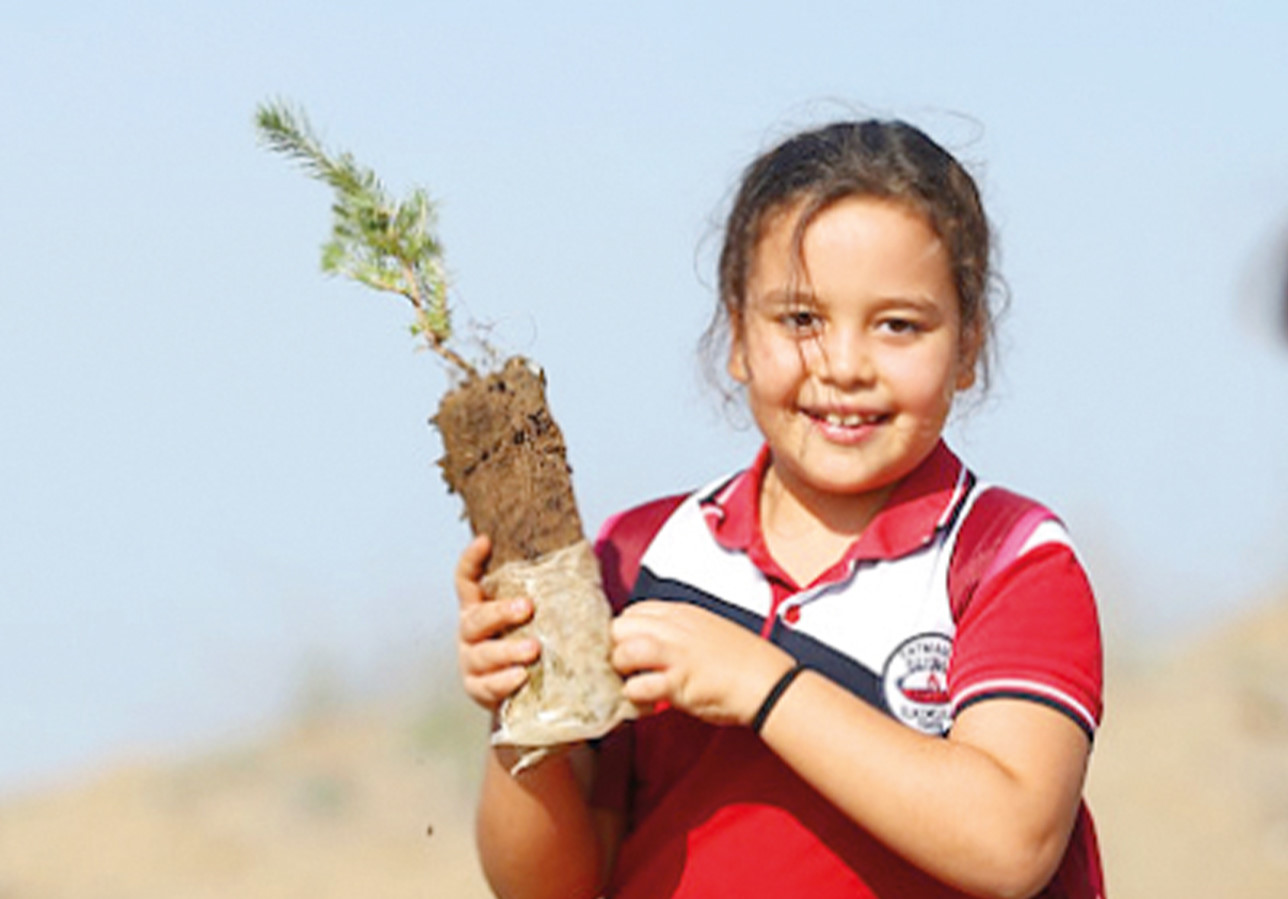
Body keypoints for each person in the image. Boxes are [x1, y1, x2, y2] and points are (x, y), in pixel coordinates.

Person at [455, 119, 1104, 899]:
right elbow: (551, 887)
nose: (845, 366)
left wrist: (763, 685)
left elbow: (1012, 844)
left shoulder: (1006, 557)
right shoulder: (643, 556)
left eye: (899, 324)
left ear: (967, 346)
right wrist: (521, 715)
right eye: (800, 319)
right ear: (737, 332)